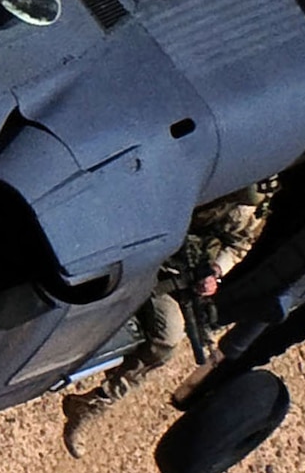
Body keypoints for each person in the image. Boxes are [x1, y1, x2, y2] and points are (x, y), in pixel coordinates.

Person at [60, 184, 267, 458]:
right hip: (132, 244)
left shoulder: (249, 202)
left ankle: (94, 404)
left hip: (171, 275)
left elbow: (239, 243)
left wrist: (215, 273)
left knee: (168, 338)